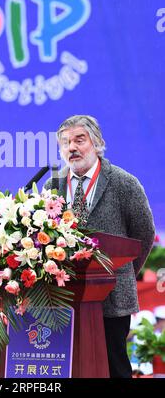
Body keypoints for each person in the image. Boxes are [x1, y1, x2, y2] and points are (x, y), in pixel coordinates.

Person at [44, 115, 155, 378]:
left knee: (114, 365)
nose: (72, 147)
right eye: (65, 142)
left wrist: (119, 272)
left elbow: (144, 234)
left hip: (112, 295)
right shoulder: (53, 185)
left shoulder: (123, 183)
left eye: (79, 140)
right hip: (64, 297)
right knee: (68, 367)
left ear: (97, 143)